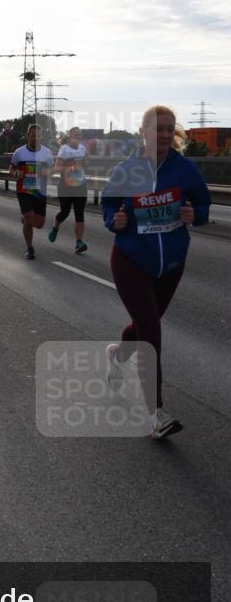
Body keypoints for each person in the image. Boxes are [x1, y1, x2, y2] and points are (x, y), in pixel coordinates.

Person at [102, 104, 210, 439]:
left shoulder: (185, 170)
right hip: (132, 259)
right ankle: (156, 413)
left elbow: (203, 204)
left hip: (172, 264)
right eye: (157, 129)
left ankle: (118, 355)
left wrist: (196, 215)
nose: (163, 135)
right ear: (144, 132)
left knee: (146, 326)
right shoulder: (127, 169)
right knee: (151, 332)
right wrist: (113, 221)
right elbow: (107, 203)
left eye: (169, 129)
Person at [9, 124, 54, 259]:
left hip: (40, 191)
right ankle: (30, 248)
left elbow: (53, 170)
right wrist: (17, 173)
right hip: (24, 190)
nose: (36, 138)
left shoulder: (46, 152)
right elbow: (11, 169)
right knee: (30, 218)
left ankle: (25, 218)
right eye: (33, 135)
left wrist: (48, 172)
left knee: (39, 224)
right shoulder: (19, 152)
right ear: (28, 136)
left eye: (39, 136)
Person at [48, 126, 88, 252]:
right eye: (76, 134)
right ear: (70, 136)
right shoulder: (64, 149)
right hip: (66, 185)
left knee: (79, 214)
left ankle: (79, 242)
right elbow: (57, 168)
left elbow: (86, 164)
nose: (78, 137)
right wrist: (69, 169)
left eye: (80, 135)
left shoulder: (83, 148)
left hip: (80, 185)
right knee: (65, 212)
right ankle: (55, 227)